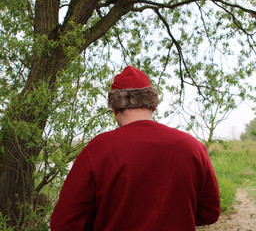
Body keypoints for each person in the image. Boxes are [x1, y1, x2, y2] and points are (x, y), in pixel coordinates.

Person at [50, 66, 220, 231]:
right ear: (153, 106)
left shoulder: (98, 149)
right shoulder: (192, 147)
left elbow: (64, 223)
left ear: (115, 109)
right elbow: (210, 212)